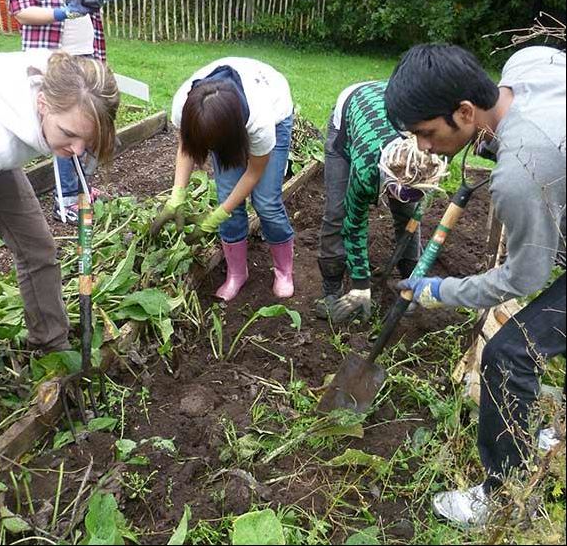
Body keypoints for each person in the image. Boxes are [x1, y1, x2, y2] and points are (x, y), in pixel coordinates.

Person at [385, 43, 566, 526]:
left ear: (465, 111)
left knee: (510, 354)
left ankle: (505, 498)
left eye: (427, 133)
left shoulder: (522, 173)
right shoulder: (528, 64)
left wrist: (437, 290)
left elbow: (524, 278)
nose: (422, 147)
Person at [0, 49, 120, 447]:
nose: (77, 150)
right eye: (68, 135)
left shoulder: (67, 81)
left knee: (38, 249)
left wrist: (74, 135)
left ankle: (50, 348)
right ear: (41, 104)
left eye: (87, 140)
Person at [2, 0, 155, 224]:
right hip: (53, 56)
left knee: (91, 124)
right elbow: (21, 10)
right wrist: (65, 12)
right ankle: (68, 199)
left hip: (86, 54)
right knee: (67, 124)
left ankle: (83, 187)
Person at [151, 57, 295, 300]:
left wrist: (216, 216)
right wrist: (177, 195)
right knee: (227, 195)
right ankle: (237, 274)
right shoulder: (184, 105)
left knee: (266, 203)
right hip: (226, 121)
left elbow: (254, 171)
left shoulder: (260, 121)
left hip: (274, 107)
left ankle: (284, 272)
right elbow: (187, 146)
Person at [316, 80, 434, 324]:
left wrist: (409, 198)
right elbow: (354, 222)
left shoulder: (428, 153)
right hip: (349, 119)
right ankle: (331, 289)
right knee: (337, 212)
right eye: (394, 191)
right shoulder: (366, 168)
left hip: (391, 102)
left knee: (407, 214)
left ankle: (410, 282)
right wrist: (361, 284)